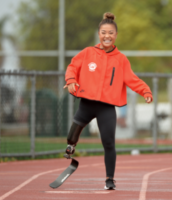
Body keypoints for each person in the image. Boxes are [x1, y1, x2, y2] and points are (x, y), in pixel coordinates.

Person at [63, 12, 153, 190]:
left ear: (116, 35)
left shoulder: (121, 60)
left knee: (109, 143)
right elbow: (72, 66)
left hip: (106, 108)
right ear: (99, 34)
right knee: (73, 133)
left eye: (111, 33)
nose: (107, 36)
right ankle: (71, 146)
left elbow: (132, 79)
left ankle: (109, 179)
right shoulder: (88, 52)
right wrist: (71, 81)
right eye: (104, 32)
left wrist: (145, 91)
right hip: (86, 105)